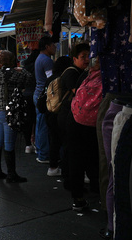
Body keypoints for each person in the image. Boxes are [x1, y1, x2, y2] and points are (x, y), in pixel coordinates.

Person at [55, 43, 98, 210]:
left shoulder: (85, 74)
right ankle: (72, 185)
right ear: (74, 59)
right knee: (73, 154)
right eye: (83, 57)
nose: (87, 60)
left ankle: (77, 189)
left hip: (77, 119)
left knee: (76, 155)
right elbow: (81, 95)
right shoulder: (74, 74)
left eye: (89, 56)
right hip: (70, 117)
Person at [0, 50, 33, 182]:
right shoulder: (9, 72)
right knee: (9, 142)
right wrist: (20, 69)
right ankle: (11, 174)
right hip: (6, 111)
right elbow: (28, 78)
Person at [45, 55, 74, 177]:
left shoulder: (50, 78)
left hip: (50, 111)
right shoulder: (66, 78)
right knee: (65, 140)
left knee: (54, 140)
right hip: (61, 112)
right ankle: (65, 167)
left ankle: (53, 167)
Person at [32, 36, 57, 164]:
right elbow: (50, 80)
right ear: (47, 46)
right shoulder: (46, 60)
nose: (55, 47)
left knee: (40, 124)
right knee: (43, 125)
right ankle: (43, 154)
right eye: (53, 45)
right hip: (43, 95)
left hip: (38, 94)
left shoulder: (40, 58)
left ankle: (40, 151)